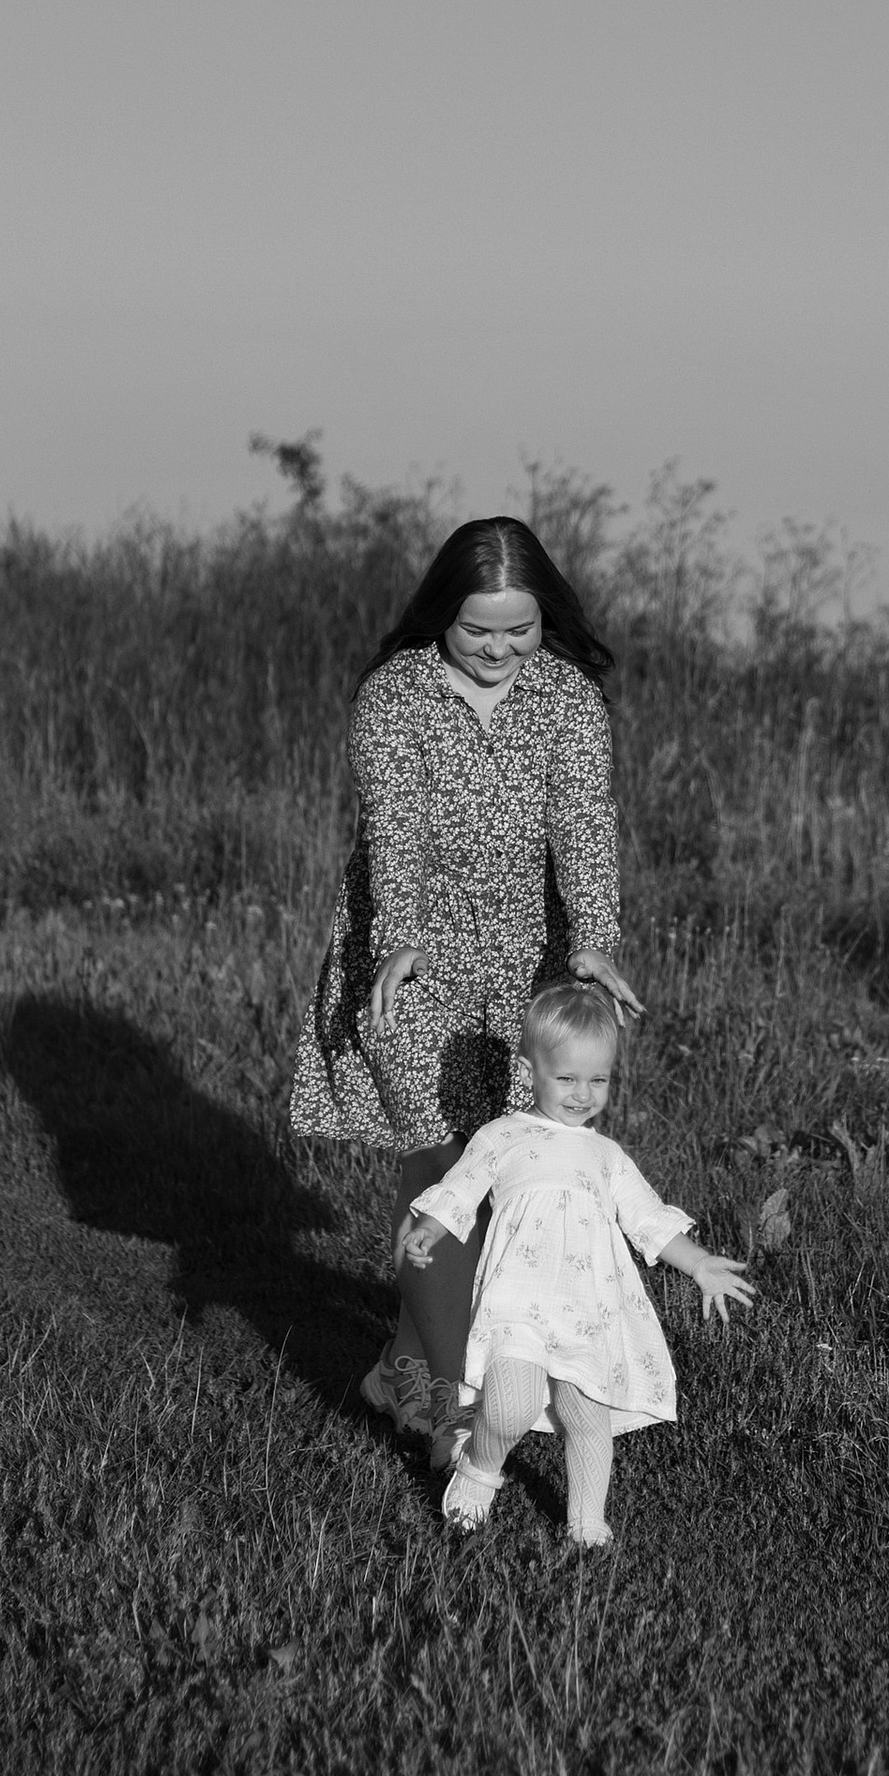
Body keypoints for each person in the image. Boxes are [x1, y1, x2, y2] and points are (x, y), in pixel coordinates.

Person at [288, 515, 642, 1449]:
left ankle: (396, 1371)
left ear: (544, 618)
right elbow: (393, 828)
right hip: (411, 958)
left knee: (508, 1176)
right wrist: (398, 937)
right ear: (442, 612)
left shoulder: (568, 698)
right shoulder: (394, 698)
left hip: (533, 956)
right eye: (477, 629)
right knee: (444, 1173)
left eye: (518, 629)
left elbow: (582, 819)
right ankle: (458, 1406)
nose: (497, 649)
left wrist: (596, 939)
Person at [401, 978, 754, 1544]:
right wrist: (428, 1230)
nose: (582, 1093)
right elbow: (460, 1187)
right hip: (518, 1296)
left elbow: (647, 1218)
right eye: (566, 1078)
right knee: (511, 1403)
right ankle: (480, 1467)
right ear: (527, 1074)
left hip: (592, 1305)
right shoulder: (502, 1136)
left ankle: (586, 1520)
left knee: (586, 1415)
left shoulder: (605, 1154)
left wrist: (699, 1263)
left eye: (598, 1079)